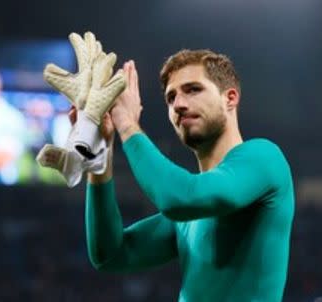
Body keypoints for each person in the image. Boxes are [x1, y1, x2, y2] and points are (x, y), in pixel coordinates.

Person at [83, 50, 295, 301]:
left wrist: (127, 123)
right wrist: (99, 153)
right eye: (171, 97)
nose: (179, 105)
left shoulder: (264, 157)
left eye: (193, 89)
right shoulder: (186, 218)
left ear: (230, 98)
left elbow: (181, 198)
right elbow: (109, 255)